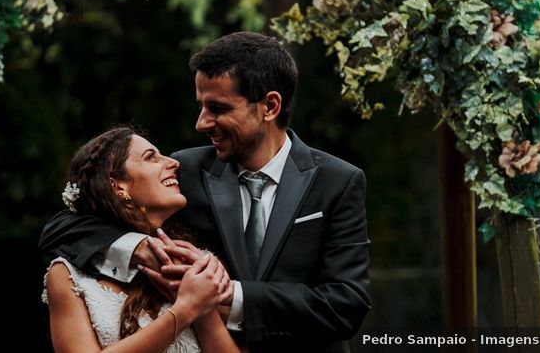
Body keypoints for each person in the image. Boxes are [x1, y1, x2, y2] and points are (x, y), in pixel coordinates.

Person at [40, 32, 371, 352]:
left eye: (218, 108)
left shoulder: (338, 181)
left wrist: (227, 295)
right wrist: (140, 247)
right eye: (201, 106)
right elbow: (65, 226)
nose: (201, 123)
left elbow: (346, 305)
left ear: (269, 106)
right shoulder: (186, 172)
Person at [43, 126, 241, 353]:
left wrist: (205, 309)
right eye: (151, 157)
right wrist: (186, 310)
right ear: (118, 186)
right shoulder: (68, 276)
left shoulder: (200, 263)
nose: (174, 163)